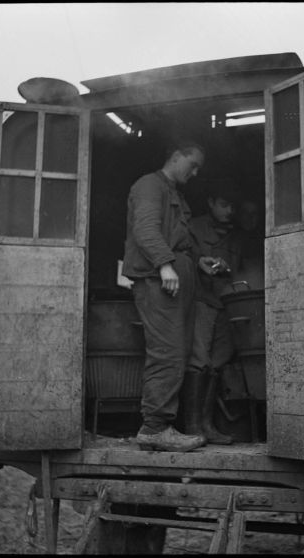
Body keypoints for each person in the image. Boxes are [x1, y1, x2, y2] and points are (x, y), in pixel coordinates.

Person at [122, 140, 218, 452]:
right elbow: (146, 230)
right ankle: (154, 428)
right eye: (192, 165)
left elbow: (178, 238)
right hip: (158, 282)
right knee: (167, 352)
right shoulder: (150, 185)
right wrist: (165, 264)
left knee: (179, 352)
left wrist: (196, 262)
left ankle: (163, 425)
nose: (196, 172)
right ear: (176, 157)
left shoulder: (174, 192)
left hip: (175, 281)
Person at [181, 180, 242, 445]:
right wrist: (198, 263)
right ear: (210, 202)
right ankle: (192, 426)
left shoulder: (235, 235)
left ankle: (206, 425)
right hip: (200, 300)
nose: (230, 211)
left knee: (216, 362)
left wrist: (228, 269)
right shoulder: (193, 228)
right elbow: (181, 259)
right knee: (199, 360)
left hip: (224, 303)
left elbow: (240, 272)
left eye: (233, 206)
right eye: (224, 205)